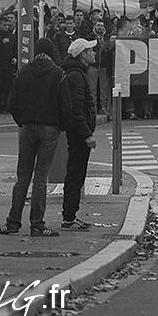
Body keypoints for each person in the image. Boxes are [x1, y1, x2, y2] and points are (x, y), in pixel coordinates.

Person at [0, 38, 71, 237]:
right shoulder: (58, 73)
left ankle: (13, 222)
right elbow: (66, 104)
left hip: (28, 127)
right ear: (50, 52)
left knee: (22, 177)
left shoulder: (23, 72)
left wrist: (21, 120)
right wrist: (60, 125)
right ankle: (37, 224)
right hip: (50, 128)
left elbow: (12, 101)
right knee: (40, 177)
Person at [60, 38, 100, 231]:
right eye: (91, 50)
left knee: (77, 173)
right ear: (83, 54)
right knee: (75, 174)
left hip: (79, 131)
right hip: (78, 134)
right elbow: (76, 110)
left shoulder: (78, 72)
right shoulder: (76, 75)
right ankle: (69, 217)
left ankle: (70, 215)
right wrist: (86, 134)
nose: (94, 53)